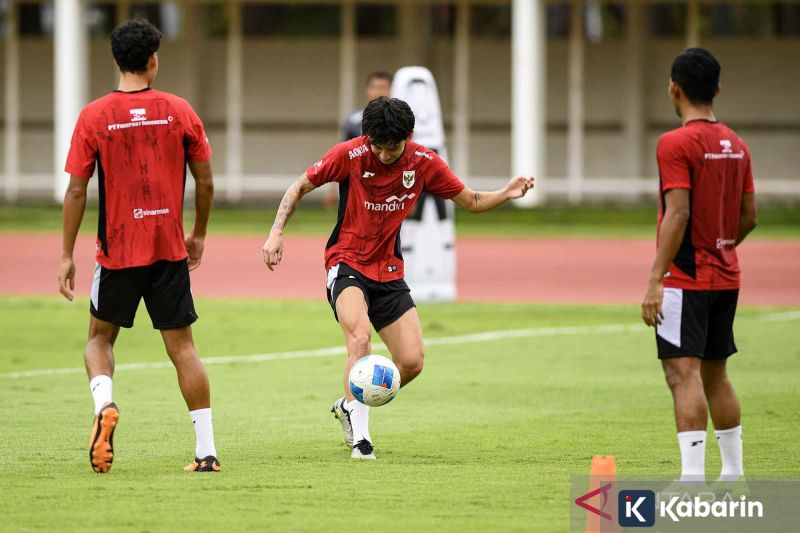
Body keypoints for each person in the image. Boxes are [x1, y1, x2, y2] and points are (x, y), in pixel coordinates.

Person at [262, 96, 534, 459]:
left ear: (409, 135)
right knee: (359, 339)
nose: (385, 155)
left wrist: (506, 193)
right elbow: (299, 185)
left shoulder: (423, 162)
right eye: (378, 147)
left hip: (389, 271)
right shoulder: (351, 155)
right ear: (367, 138)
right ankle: (361, 440)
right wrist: (276, 231)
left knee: (411, 362)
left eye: (393, 147)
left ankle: (349, 405)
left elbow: (470, 200)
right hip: (347, 263)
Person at [58, 19, 220, 473]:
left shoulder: (94, 115)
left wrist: (67, 254)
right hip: (167, 249)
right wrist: (198, 234)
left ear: (116, 59)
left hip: (117, 252)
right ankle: (206, 452)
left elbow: (76, 191)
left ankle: (104, 405)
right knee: (183, 349)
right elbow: (205, 180)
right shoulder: (178, 109)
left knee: (99, 339)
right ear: (153, 60)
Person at [641, 48, 757, 486]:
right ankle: (732, 474)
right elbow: (749, 217)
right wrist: (721, 247)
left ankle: (691, 479)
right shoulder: (736, 143)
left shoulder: (675, 142)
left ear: (674, 87)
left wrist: (655, 278)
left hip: (684, 280)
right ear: (718, 90)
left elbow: (678, 213)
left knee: (681, 374)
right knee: (716, 372)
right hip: (727, 275)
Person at [323, 71, 393, 209]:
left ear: (392, 89)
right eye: (374, 87)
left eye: (383, 87)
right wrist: (332, 188)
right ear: (368, 90)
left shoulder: (400, 120)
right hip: (359, 184)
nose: (378, 92)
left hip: (391, 182)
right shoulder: (354, 121)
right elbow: (341, 155)